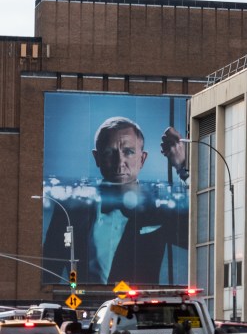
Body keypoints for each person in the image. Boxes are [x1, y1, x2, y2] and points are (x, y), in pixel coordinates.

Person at [42, 117, 189, 285]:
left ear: (143, 159)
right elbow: (48, 271)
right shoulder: (70, 211)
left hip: (138, 309)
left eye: (128, 151)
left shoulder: (157, 208)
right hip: (84, 307)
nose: (120, 163)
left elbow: (199, 236)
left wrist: (182, 167)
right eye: (109, 153)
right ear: (97, 158)